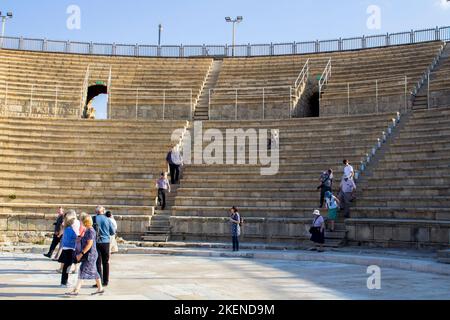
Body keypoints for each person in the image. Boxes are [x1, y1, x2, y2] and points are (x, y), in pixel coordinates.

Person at [66, 215, 104, 296]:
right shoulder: (88, 230)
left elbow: (89, 244)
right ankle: (100, 288)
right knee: (93, 272)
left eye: (82, 221)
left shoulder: (90, 231)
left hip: (90, 255)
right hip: (90, 254)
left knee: (83, 271)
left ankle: (76, 291)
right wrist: (80, 239)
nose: (80, 222)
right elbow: (86, 240)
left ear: (85, 222)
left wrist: (81, 254)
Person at [93, 206, 116, 287]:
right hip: (106, 242)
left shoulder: (93, 219)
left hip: (96, 242)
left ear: (96, 211)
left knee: (97, 263)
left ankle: (99, 282)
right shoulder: (108, 219)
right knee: (106, 262)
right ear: (103, 211)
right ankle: (106, 281)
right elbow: (112, 232)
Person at [58, 210, 79, 287]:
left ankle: (63, 282)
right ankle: (65, 282)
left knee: (66, 266)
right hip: (71, 249)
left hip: (65, 248)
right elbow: (75, 238)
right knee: (68, 267)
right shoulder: (71, 230)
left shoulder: (66, 229)